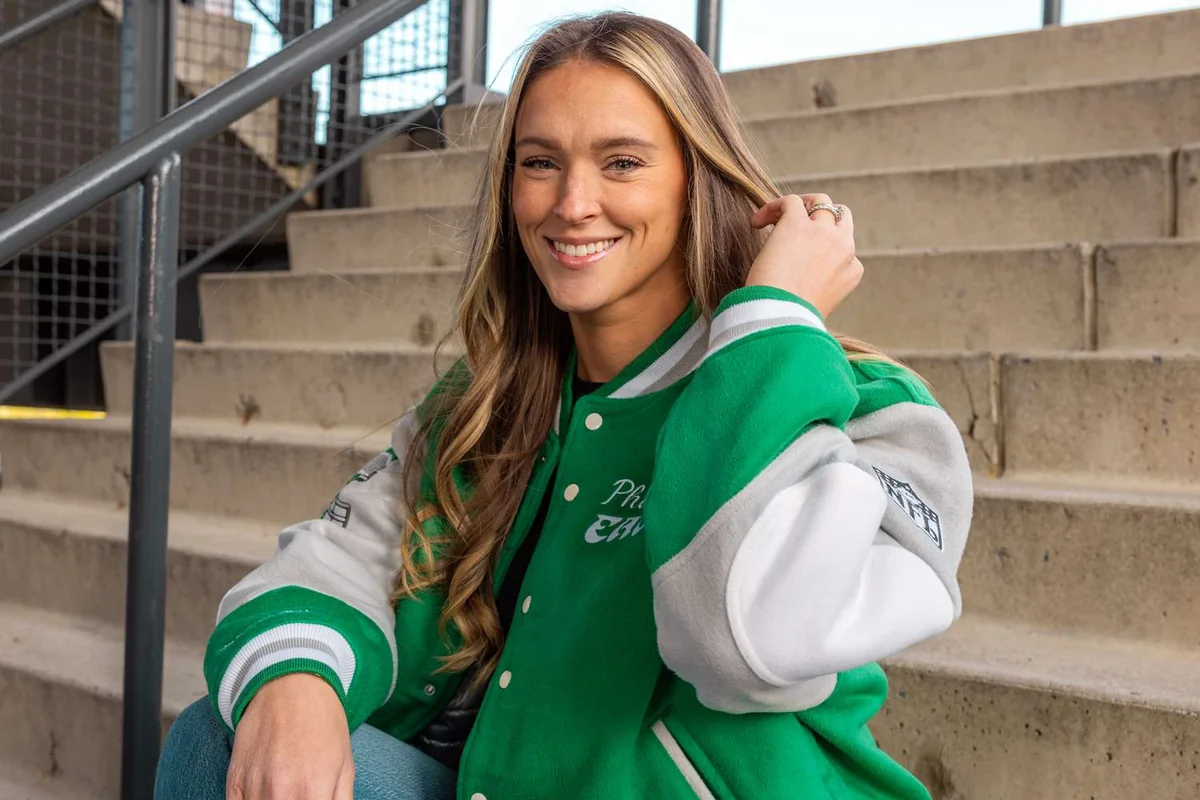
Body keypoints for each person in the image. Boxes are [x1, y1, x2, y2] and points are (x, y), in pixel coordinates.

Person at [156, 11, 972, 800]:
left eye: (622, 163)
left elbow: (743, 641)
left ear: (700, 181)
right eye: (540, 162)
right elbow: (330, 565)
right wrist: (296, 681)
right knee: (215, 738)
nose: (571, 203)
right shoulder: (485, 409)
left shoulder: (872, 414)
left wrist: (773, 321)